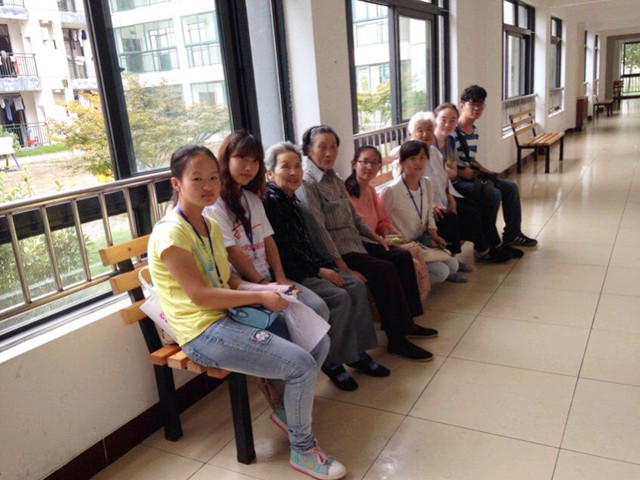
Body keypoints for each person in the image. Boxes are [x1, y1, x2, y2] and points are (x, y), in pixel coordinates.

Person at [148, 144, 346, 480]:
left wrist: (268, 290)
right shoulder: (171, 233)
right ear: (176, 183)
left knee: (318, 342)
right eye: (197, 178)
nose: (208, 186)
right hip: (202, 332)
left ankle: (286, 412)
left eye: (213, 177)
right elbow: (200, 296)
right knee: (300, 364)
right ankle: (303, 449)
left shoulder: (208, 225)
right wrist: (261, 298)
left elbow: (231, 281)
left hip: (229, 316)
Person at [296, 124, 437, 362]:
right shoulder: (307, 183)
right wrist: (343, 266)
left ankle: (408, 323)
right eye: (322, 147)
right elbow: (318, 231)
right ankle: (397, 339)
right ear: (309, 150)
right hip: (337, 251)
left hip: (356, 241)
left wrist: (376, 238)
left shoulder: (334, 178)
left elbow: (353, 218)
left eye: (333, 147)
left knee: (401, 256)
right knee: (384, 269)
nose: (329, 153)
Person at [263, 141, 389, 391]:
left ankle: (357, 352)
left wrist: (326, 265)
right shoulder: (272, 202)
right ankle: (333, 361)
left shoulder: (291, 200)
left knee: (356, 284)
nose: (293, 172)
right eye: (285, 167)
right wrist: (320, 270)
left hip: (310, 266)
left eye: (297, 166)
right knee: (339, 297)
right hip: (292, 274)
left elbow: (307, 243)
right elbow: (286, 252)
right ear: (270, 173)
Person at [204, 131, 331, 323]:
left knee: (318, 307)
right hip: (242, 285)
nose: (249, 167)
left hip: (268, 278)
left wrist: (280, 277)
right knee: (308, 312)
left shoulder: (253, 199)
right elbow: (231, 251)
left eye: (255, 160)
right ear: (226, 159)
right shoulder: (214, 205)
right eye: (242, 158)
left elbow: (268, 239)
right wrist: (263, 283)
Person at [454, 85, 537, 250]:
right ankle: (487, 240)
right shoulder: (452, 131)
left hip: (471, 176)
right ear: (462, 106)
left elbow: (470, 158)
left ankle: (513, 234)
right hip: (455, 181)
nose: (476, 108)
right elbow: (443, 162)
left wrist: (486, 171)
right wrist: (461, 172)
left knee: (510, 187)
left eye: (480, 104)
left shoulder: (473, 130)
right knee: (493, 193)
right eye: (472, 104)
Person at [380, 140, 462, 284]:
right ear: (402, 162)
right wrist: (397, 242)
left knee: (453, 266)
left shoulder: (426, 183)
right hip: (404, 246)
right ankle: (408, 280)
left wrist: (434, 235)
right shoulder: (392, 190)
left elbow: (429, 214)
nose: (418, 162)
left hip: (421, 241)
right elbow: (381, 222)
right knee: (442, 272)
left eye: (422, 157)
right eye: (412, 158)